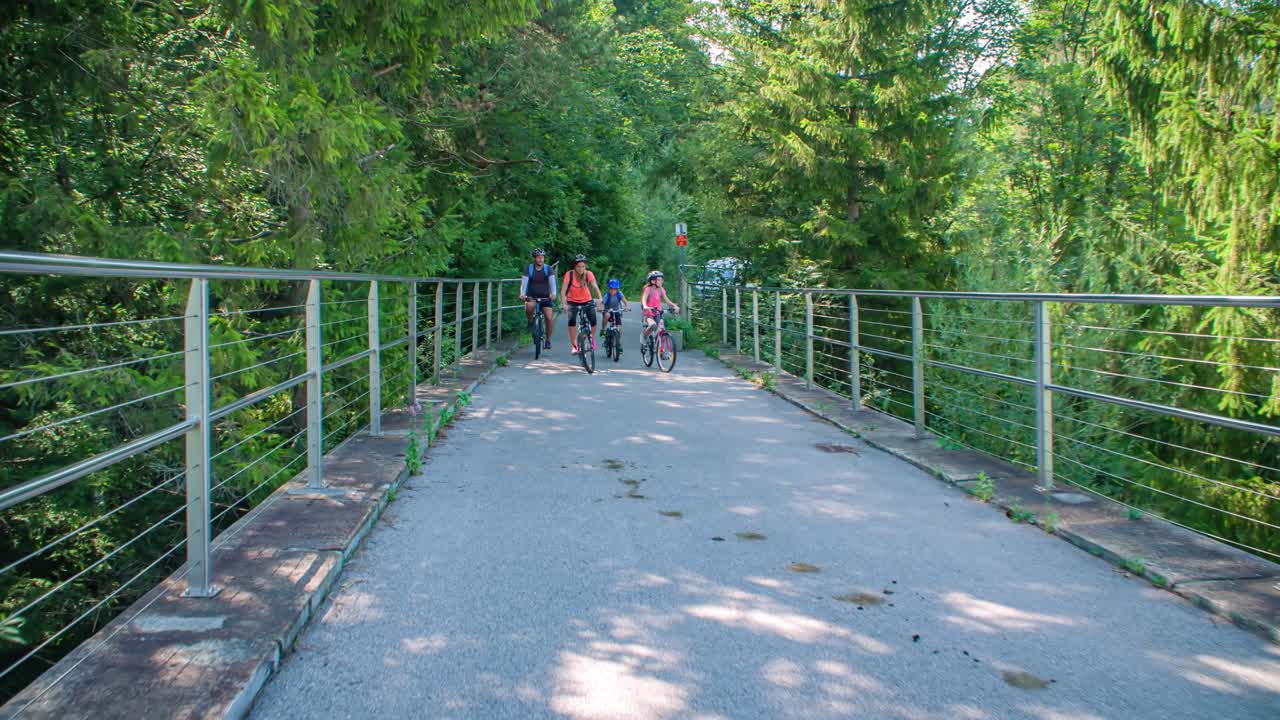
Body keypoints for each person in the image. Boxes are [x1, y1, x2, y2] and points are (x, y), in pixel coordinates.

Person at [561, 255, 603, 354]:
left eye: (583, 266)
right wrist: (564, 304)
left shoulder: (589, 274)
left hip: (587, 300)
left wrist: (600, 298)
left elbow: (595, 286)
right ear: (575, 267)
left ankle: (591, 339)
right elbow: (563, 291)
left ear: (585, 266)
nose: (581, 269)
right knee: (571, 321)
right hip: (572, 301)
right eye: (579, 266)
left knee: (593, 319)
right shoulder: (569, 274)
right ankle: (574, 346)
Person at [520, 248, 557, 349]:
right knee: (529, 307)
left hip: (545, 297)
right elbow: (524, 282)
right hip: (532, 296)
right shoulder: (529, 268)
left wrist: (553, 294)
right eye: (538, 258)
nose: (541, 259)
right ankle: (530, 322)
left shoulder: (548, 269)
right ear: (534, 259)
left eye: (542, 257)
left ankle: (548, 340)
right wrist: (522, 294)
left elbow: (552, 282)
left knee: (549, 318)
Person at [641, 270, 679, 347]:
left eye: (662, 279)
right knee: (653, 326)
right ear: (652, 281)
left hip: (658, 313)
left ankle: (661, 352)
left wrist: (674, 306)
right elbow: (644, 299)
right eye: (659, 279)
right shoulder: (648, 289)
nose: (661, 281)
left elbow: (667, 300)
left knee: (663, 331)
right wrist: (645, 306)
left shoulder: (661, 289)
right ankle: (644, 337)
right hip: (649, 314)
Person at [600, 278, 630, 351]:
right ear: (609, 289)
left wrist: (627, 307)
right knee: (607, 315)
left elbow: (625, 301)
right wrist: (600, 308)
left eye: (615, 289)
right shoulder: (607, 295)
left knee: (619, 328)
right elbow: (601, 303)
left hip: (616, 311)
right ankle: (603, 330)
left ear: (617, 289)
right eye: (611, 289)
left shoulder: (619, 294)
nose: (613, 291)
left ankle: (618, 344)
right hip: (607, 311)